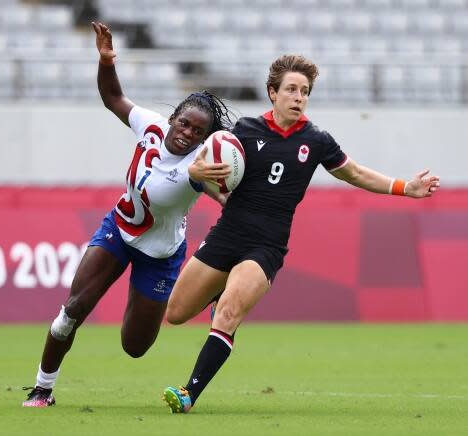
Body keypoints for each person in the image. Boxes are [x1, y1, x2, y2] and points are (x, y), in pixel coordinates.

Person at [162, 54, 441, 413]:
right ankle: (222, 289)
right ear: (272, 93)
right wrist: (200, 171)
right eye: (291, 89)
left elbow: (354, 173)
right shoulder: (243, 131)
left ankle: (188, 394)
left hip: (265, 247)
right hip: (227, 234)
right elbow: (201, 164)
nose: (298, 97)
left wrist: (406, 187)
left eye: (305, 91)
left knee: (228, 313)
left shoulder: (317, 140)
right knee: (177, 312)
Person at [22, 21, 235, 407]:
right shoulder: (151, 126)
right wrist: (106, 61)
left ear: (204, 140)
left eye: (197, 131)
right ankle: (42, 389)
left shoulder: (200, 169)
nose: (186, 132)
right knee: (72, 310)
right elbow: (113, 97)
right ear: (172, 119)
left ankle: (205, 288)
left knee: (134, 347)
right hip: (118, 230)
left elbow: (223, 198)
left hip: (160, 256)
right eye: (184, 122)